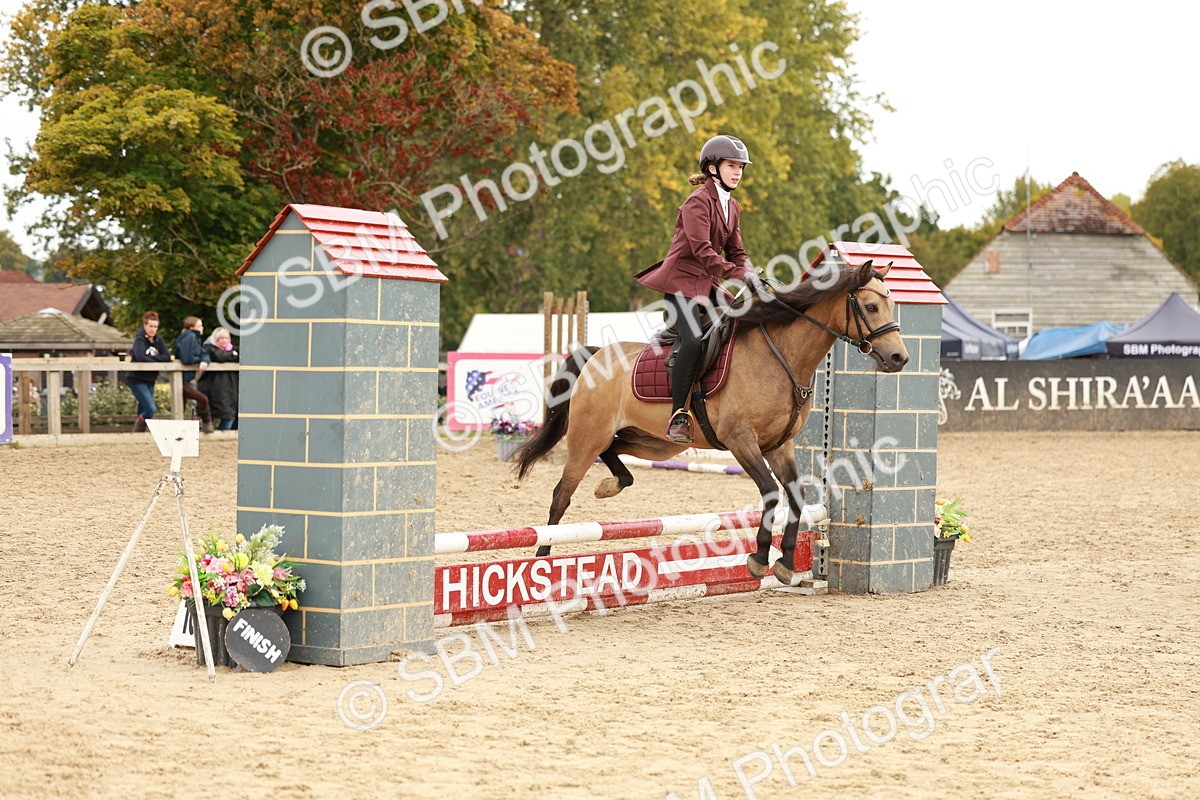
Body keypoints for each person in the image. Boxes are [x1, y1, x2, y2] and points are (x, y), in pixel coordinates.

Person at [634, 134, 760, 443]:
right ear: (713, 168)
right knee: (692, 340)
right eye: (731, 166)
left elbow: (737, 251)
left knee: (745, 321)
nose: (737, 173)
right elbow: (703, 252)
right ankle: (678, 414)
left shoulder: (732, 206)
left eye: (740, 167)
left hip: (708, 285)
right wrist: (737, 275)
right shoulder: (697, 202)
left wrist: (749, 272)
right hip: (681, 285)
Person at [125, 311, 171, 433]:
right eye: (150, 326)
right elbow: (140, 357)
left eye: (155, 327)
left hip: (150, 380)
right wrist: (158, 359)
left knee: (143, 410)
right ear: (145, 326)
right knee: (150, 408)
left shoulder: (159, 340)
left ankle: (138, 437)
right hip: (136, 379)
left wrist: (152, 359)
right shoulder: (139, 340)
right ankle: (136, 432)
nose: (153, 329)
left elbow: (167, 357)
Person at [173, 316, 214, 433]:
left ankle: (180, 431)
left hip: (186, 379)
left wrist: (204, 360)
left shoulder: (195, 338)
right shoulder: (189, 337)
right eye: (199, 326)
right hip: (182, 379)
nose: (202, 328)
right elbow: (187, 358)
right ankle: (206, 423)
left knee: (182, 406)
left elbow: (204, 353)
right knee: (202, 399)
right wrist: (200, 360)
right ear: (192, 327)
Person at [198, 327, 239, 430]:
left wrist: (230, 354)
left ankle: (223, 436)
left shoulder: (235, 349)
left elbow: (240, 356)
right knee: (212, 417)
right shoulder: (209, 349)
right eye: (221, 338)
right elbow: (219, 356)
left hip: (230, 389)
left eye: (226, 338)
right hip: (212, 389)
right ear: (216, 339)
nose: (224, 340)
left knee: (230, 416)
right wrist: (232, 354)